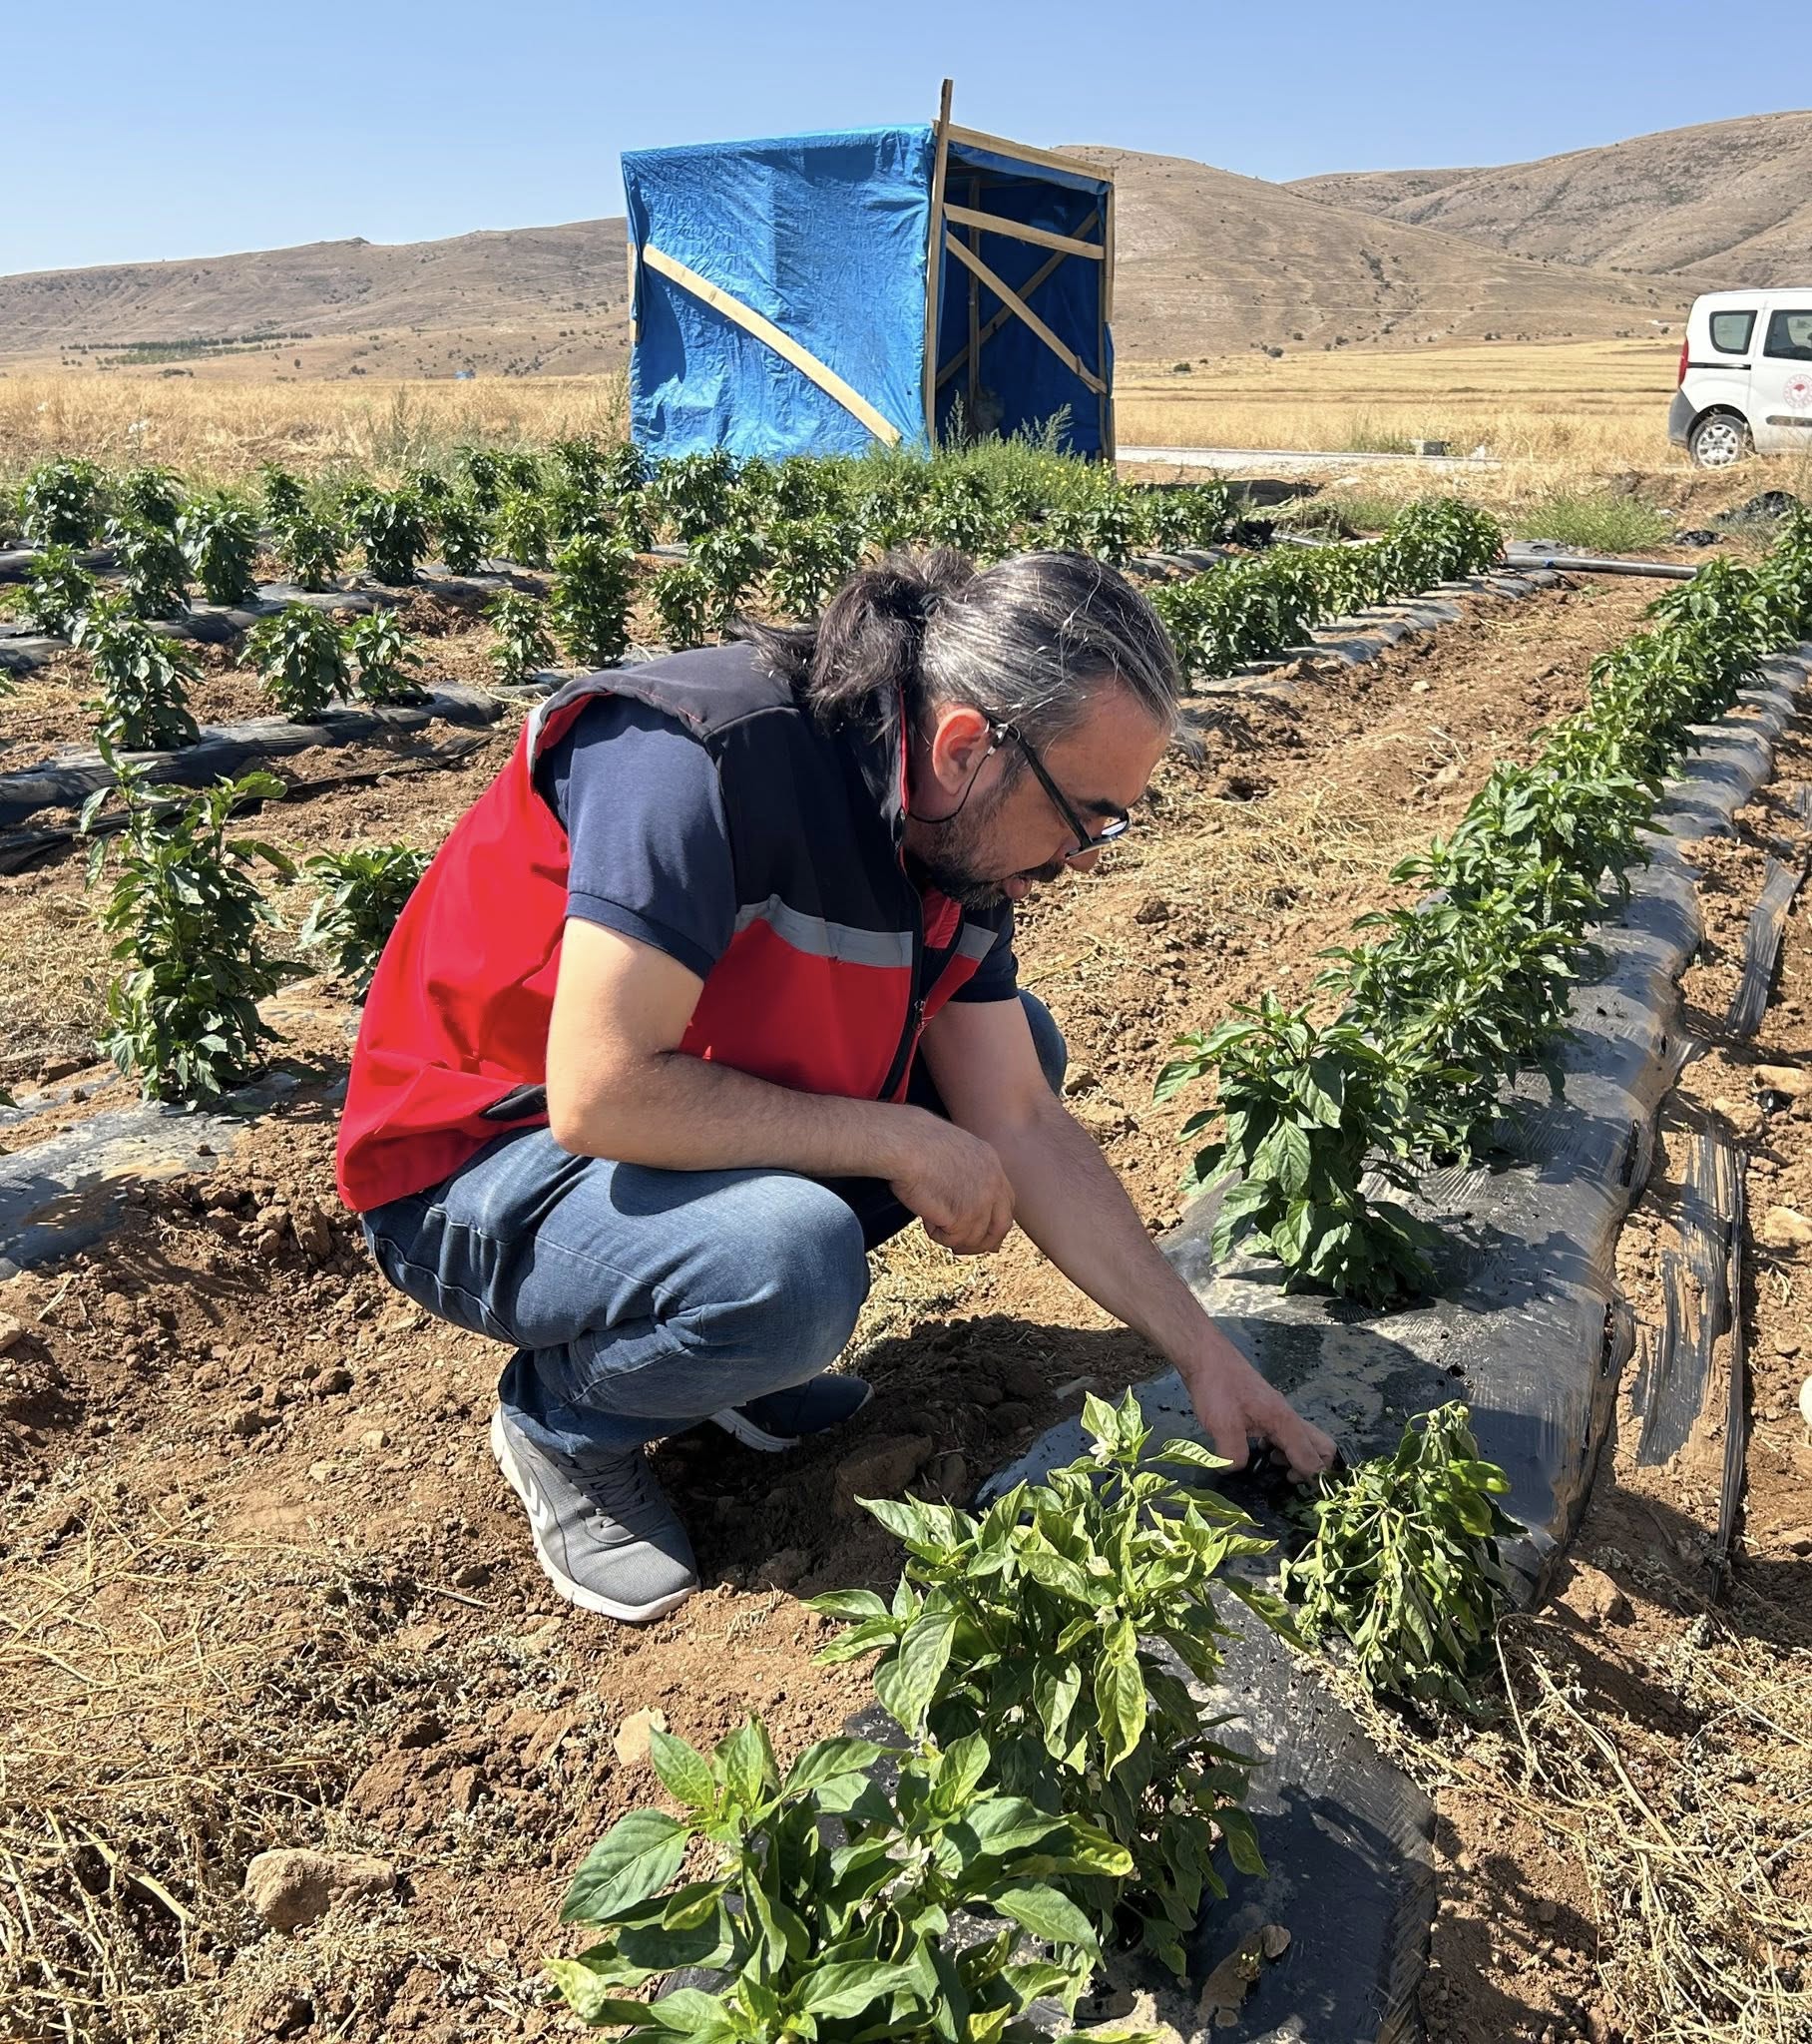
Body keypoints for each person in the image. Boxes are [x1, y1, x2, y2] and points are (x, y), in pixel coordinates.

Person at [335, 546, 1336, 1624]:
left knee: (1018, 1057)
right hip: (474, 1165)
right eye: (1081, 814)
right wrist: (899, 1140)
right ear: (965, 745)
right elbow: (602, 1093)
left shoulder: (955, 833)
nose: (1086, 856)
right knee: (792, 1259)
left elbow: (1017, 1116)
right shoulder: (697, 758)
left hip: (656, 1128)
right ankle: (565, 1422)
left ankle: (726, 1362)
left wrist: (1203, 1354)